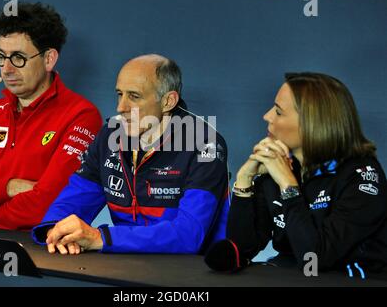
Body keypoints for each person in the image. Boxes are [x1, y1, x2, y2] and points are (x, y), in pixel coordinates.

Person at [32, 54, 229, 254]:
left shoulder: (206, 143)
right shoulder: (110, 134)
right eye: (120, 94)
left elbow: (188, 236)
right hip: (125, 261)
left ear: (168, 101)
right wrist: (56, 230)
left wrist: (101, 238)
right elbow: (75, 198)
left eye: (134, 96)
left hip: (190, 270)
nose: (121, 107)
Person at [0, 2, 102, 230]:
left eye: (18, 58)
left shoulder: (81, 115)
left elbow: (46, 207)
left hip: (43, 256)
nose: (6, 69)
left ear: (49, 59)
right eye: (1, 57)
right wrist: (9, 187)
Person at [205, 72, 387, 275]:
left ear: (312, 123)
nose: (267, 116)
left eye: (279, 111)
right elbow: (241, 249)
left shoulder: (361, 176)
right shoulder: (282, 166)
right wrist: (244, 181)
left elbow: (315, 261)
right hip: (293, 277)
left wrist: (288, 186)